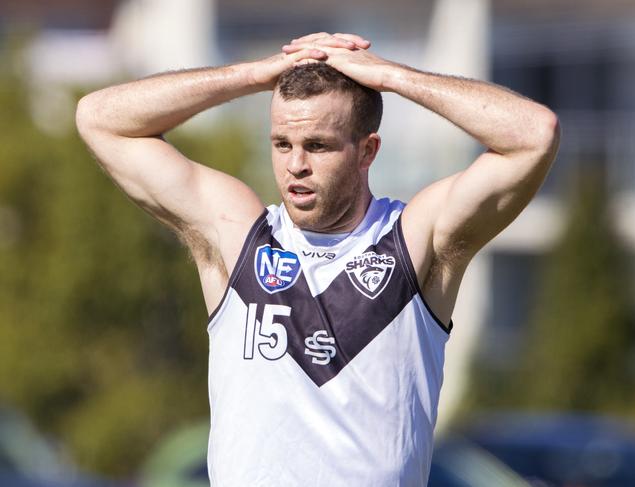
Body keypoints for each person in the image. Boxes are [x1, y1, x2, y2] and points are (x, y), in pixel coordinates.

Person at [76, 32, 560, 486]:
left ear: (367, 151)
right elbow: (100, 118)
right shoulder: (240, 232)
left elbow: (534, 133)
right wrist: (253, 75)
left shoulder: (414, 238)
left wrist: (391, 76)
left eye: (318, 146)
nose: (295, 165)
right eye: (281, 143)